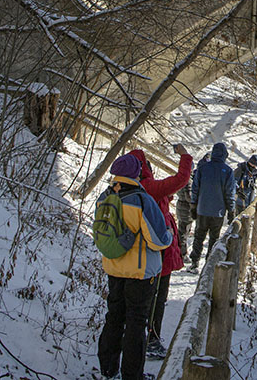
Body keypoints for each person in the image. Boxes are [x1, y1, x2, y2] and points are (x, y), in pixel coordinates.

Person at [97, 152, 172, 380]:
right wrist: (168, 234)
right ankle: (132, 375)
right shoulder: (142, 200)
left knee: (114, 317)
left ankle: (109, 369)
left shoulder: (104, 197)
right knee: (136, 323)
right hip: (140, 273)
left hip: (113, 268)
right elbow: (157, 240)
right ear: (136, 174)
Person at [131, 144, 192, 360]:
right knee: (157, 297)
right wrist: (185, 156)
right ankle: (151, 340)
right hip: (160, 252)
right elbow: (180, 180)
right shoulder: (148, 186)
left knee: (149, 297)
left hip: (148, 252)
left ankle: (145, 338)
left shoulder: (132, 188)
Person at [187, 142, 235, 273]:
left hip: (202, 209)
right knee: (214, 238)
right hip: (218, 212)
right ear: (225, 155)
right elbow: (229, 192)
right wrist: (231, 210)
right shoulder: (228, 171)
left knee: (199, 236)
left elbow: (195, 188)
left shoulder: (203, 168)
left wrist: (193, 205)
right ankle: (209, 264)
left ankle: (194, 262)